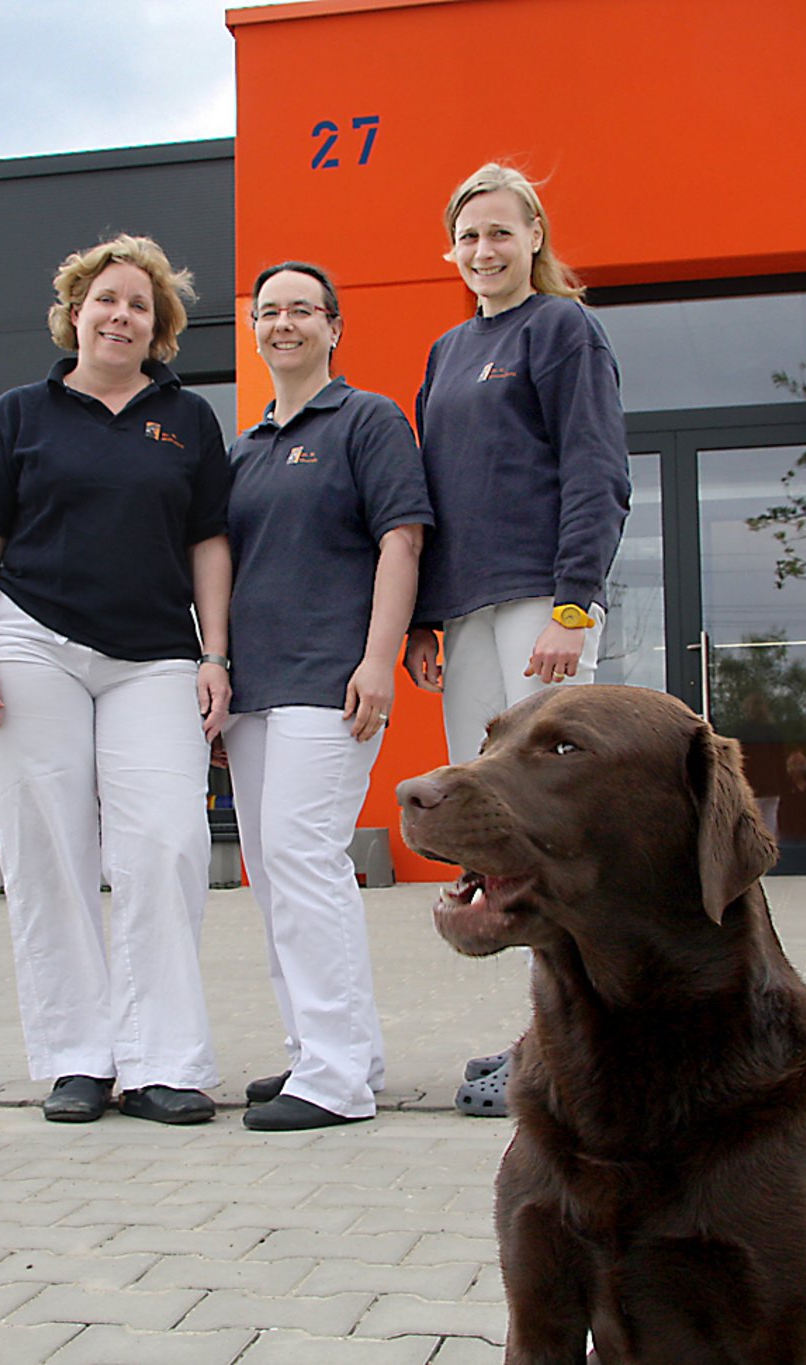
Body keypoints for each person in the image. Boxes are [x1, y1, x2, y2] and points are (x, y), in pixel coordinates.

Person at [0, 234, 232, 1126]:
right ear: (76, 312)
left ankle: (164, 1061)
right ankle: (79, 1056)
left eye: (140, 306)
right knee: (49, 852)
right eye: (106, 299)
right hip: (30, 642)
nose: (121, 315)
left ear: (160, 330)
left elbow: (209, 542)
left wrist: (214, 653)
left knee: (166, 845)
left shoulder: (186, 421)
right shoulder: (19, 415)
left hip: (154, 654)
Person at [403, 163, 631, 1116]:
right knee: (498, 838)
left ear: (534, 235)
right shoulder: (447, 351)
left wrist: (572, 607)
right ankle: (545, 1036)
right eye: (469, 238)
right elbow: (432, 495)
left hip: (545, 602)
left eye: (501, 233)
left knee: (562, 824)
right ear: (450, 251)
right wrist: (422, 614)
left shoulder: (564, 329)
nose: (485, 252)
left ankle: (593, 1044)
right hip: (467, 613)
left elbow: (595, 466)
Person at [223, 261, 432, 1131]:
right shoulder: (242, 449)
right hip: (253, 691)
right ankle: (325, 1048)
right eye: (268, 311)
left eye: (301, 309)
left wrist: (378, 659)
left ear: (334, 326)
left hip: (330, 679)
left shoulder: (368, 419)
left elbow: (403, 541)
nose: (283, 324)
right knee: (274, 873)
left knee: (306, 860)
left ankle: (339, 1080)